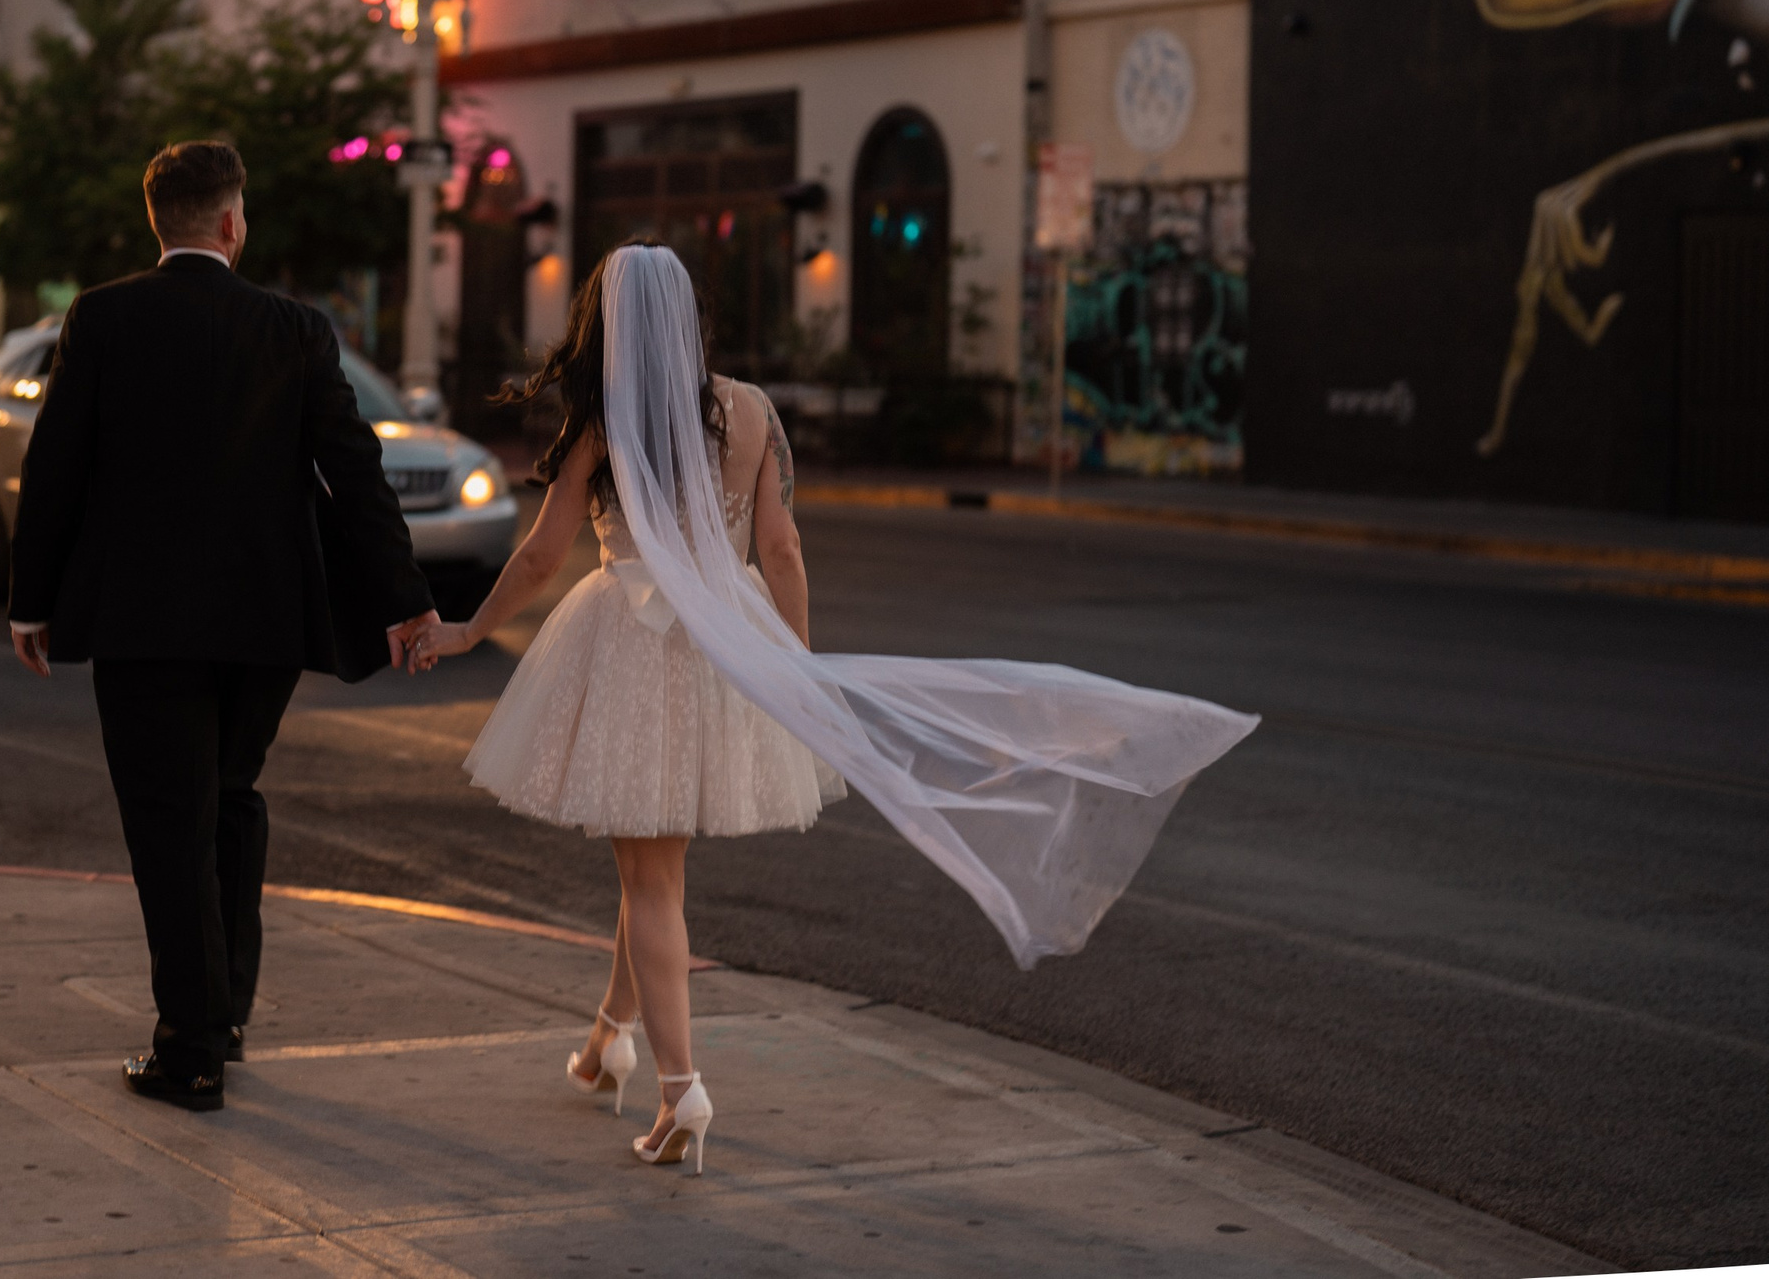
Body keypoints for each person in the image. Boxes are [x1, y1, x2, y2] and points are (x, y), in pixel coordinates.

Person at [409, 243, 1257, 1174]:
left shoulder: (602, 423)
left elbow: (538, 557)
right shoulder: (749, 411)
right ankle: (609, 1036)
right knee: (654, 858)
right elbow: (784, 550)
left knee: (650, 876)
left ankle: (680, 1088)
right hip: (721, 641)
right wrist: (793, 667)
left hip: (630, 643)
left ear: (606, 322)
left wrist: (465, 629)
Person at [6, 139, 439, 1113]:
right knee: (228, 797)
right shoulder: (293, 329)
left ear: (157, 221)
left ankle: (190, 1048)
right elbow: (352, 469)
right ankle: (225, 1011)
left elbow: (57, 465)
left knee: (171, 823)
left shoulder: (105, 317)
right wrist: (406, 597)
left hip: (142, 621)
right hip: (264, 622)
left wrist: (31, 598)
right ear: (234, 222)